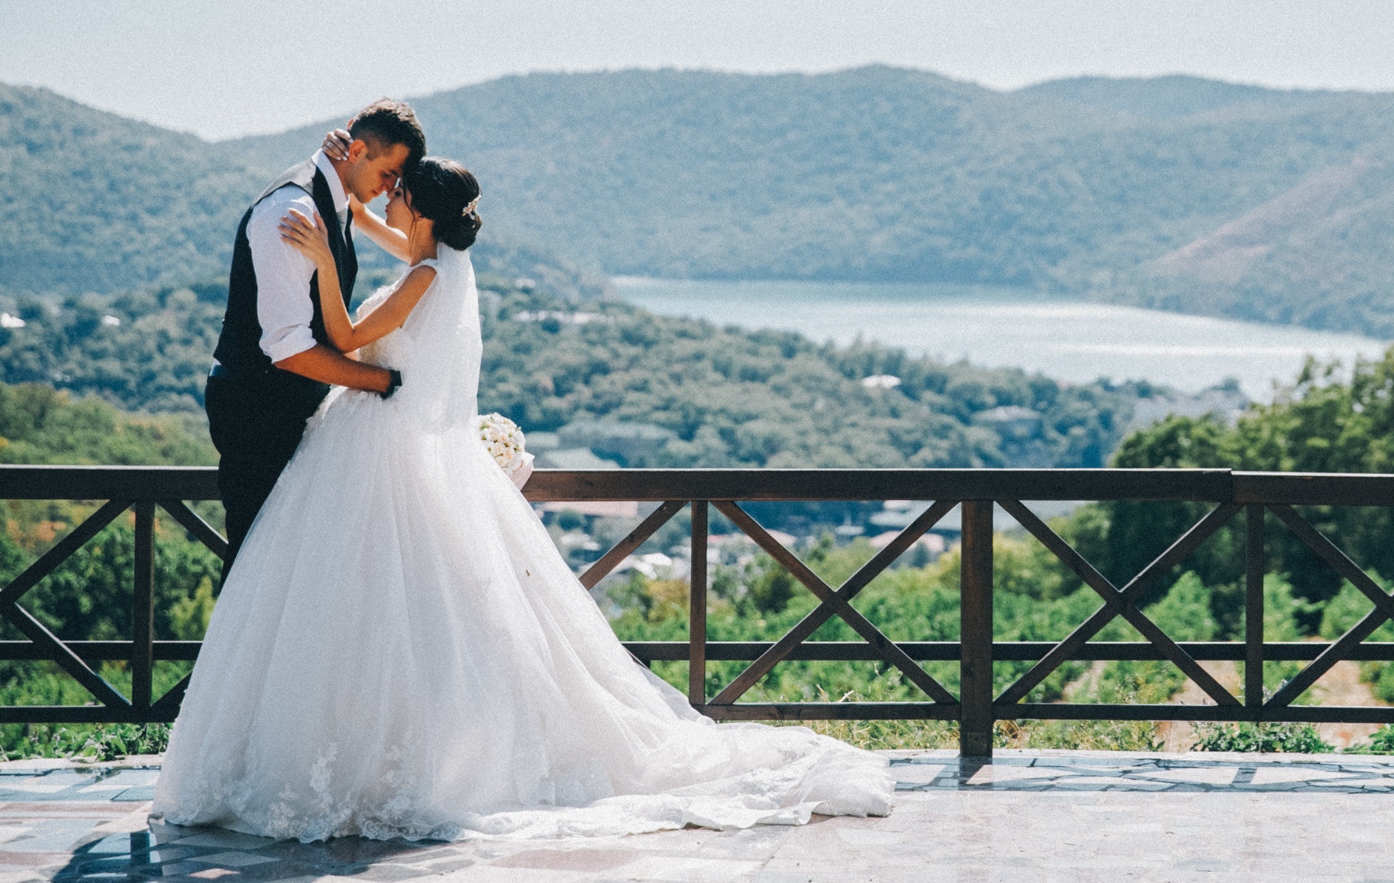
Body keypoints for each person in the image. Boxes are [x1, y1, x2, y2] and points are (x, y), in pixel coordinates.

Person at [155, 158, 893, 842]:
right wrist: (351, 211)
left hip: (371, 448)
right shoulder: (436, 264)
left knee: (368, 609)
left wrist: (322, 261)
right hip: (371, 443)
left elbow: (344, 335)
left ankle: (370, 757)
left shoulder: (422, 280)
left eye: (398, 192)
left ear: (421, 210)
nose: (389, 196)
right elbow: (399, 240)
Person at [204, 100, 426, 557]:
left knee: (295, 562)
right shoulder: (294, 211)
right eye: (388, 174)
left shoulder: (339, 203)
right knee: (255, 561)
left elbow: (422, 254)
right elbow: (289, 350)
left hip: (293, 407)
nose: (390, 188)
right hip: (258, 411)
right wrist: (383, 382)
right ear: (357, 150)